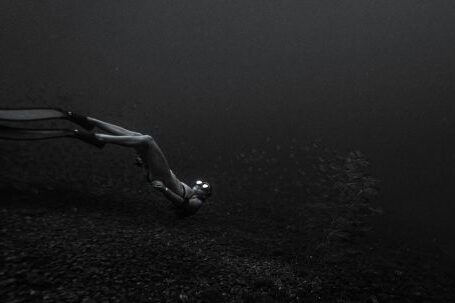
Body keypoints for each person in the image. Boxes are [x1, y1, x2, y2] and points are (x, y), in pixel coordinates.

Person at [0, 108, 212, 217]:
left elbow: (180, 204)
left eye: (203, 188)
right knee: (139, 136)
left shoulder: (196, 203)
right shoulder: (191, 191)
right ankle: (89, 122)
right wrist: (146, 164)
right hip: (156, 173)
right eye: (201, 184)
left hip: (159, 179)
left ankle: (97, 137)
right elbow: (168, 176)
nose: (199, 186)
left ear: (205, 196)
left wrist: (164, 190)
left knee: (146, 139)